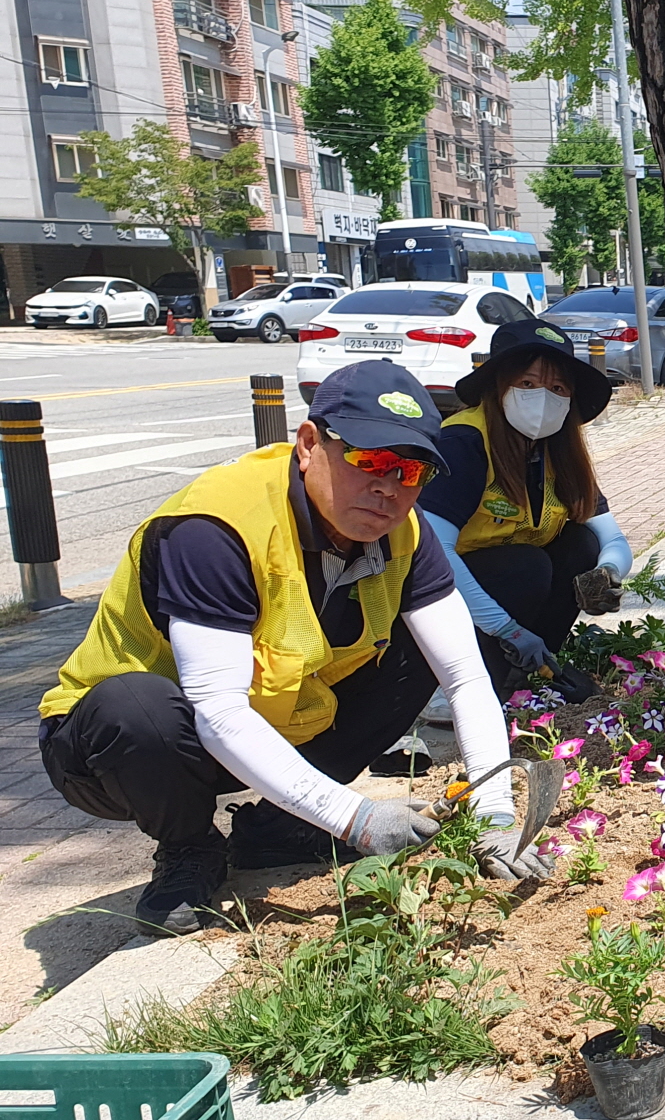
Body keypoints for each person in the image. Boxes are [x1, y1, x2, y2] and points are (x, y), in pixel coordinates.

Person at [37, 362, 548, 930]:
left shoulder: (404, 528)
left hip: (268, 726)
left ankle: (283, 828)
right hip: (128, 754)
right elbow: (217, 708)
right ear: (309, 444)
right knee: (134, 709)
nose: (388, 487)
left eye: (412, 471)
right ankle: (189, 848)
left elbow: (464, 676)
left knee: (420, 649)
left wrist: (496, 813)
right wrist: (355, 817)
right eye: (370, 459)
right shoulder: (215, 527)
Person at [421, 318, 635, 700]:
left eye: (557, 388)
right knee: (527, 566)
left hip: (506, 591)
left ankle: (526, 671)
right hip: (439, 599)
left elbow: (612, 537)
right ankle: (451, 684)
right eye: (527, 383)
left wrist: (608, 574)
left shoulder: (558, 452)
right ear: (498, 386)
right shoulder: (465, 443)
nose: (543, 398)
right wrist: (507, 629)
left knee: (580, 546)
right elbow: (434, 553)